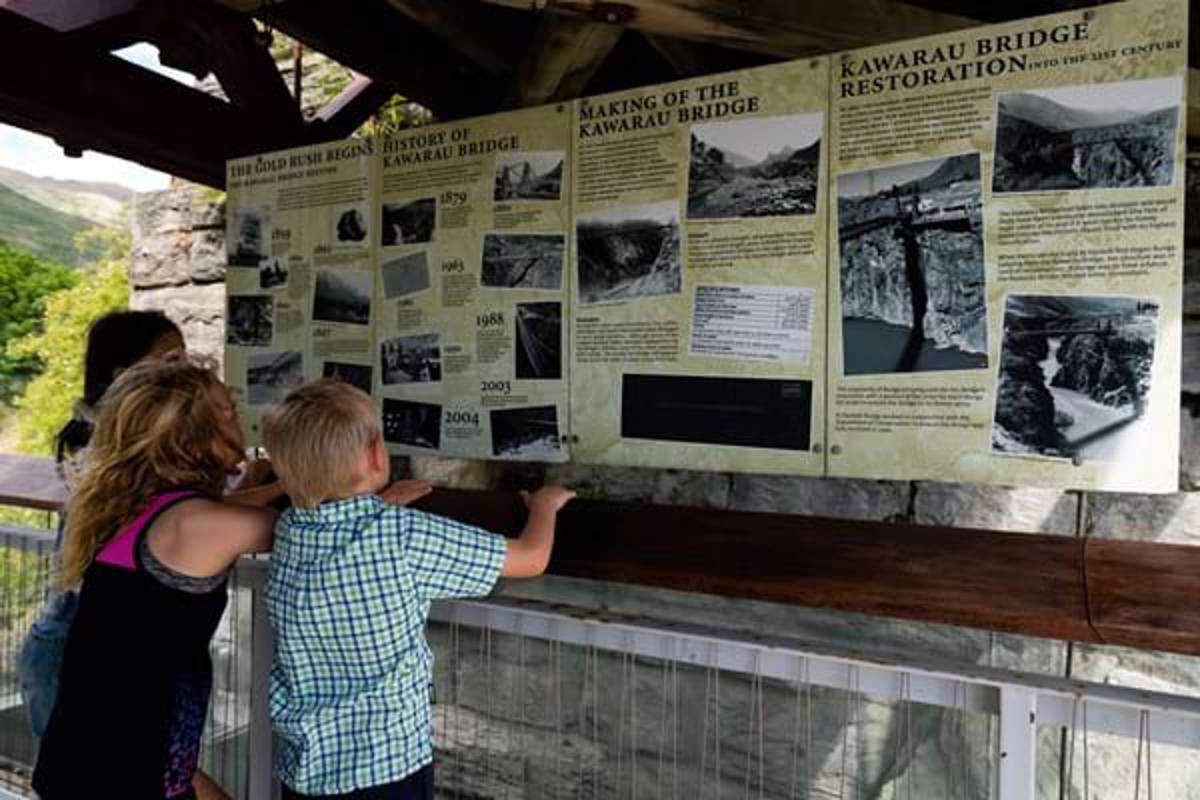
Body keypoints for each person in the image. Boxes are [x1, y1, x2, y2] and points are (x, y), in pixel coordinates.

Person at [261, 380, 574, 799]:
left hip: (307, 769)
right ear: (375, 454)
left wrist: (381, 504)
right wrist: (544, 506)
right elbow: (531, 557)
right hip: (386, 764)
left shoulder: (289, 532)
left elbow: (341, 532)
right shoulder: (402, 537)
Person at [31, 355, 278, 800]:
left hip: (105, 759)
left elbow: (227, 512)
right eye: (226, 411)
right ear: (191, 438)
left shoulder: (138, 510)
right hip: (122, 775)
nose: (239, 417)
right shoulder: (194, 525)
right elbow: (315, 529)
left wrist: (276, 485)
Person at [19, 310, 185, 739]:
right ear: (125, 375)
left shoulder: (114, 444)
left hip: (89, 643)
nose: (184, 373)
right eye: (170, 361)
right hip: (75, 644)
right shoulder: (111, 452)